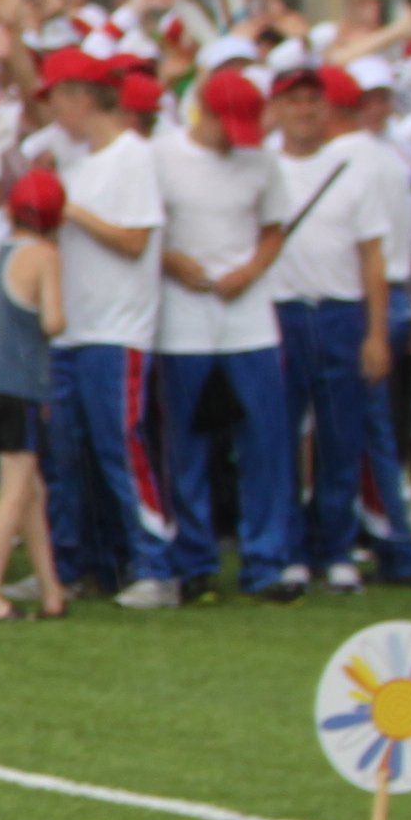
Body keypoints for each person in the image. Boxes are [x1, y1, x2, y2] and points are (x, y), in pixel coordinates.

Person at [151, 65, 300, 600]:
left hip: (249, 315)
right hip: (183, 316)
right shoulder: (162, 155)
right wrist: (171, 261)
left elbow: (274, 228)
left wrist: (253, 270)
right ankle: (194, 559)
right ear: (204, 112)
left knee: (265, 442)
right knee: (186, 447)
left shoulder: (261, 162)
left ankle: (266, 561)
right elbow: (147, 228)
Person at [31, 53, 173, 607]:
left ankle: (156, 565)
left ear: (82, 98)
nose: (53, 110)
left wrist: (71, 210)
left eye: (58, 98)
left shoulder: (132, 157)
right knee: (65, 457)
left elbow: (136, 240)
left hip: (117, 330)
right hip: (73, 328)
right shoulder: (81, 160)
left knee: (120, 449)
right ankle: (72, 563)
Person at [277, 61, 411, 593]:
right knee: (281, 438)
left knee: (342, 437)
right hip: (284, 309)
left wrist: (376, 332)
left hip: (340, 309)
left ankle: (335, 547)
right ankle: (290, 548)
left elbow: (373, 259)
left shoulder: (356, 171)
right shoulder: (265, 168)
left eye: (313, 101)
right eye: (295, 101)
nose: (306, 111)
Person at [0, 166, 70, 621]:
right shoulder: (45, 256)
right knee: (14, 490)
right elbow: (53, 322)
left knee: (30, 490)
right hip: (21, 386)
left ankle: (51, 591)